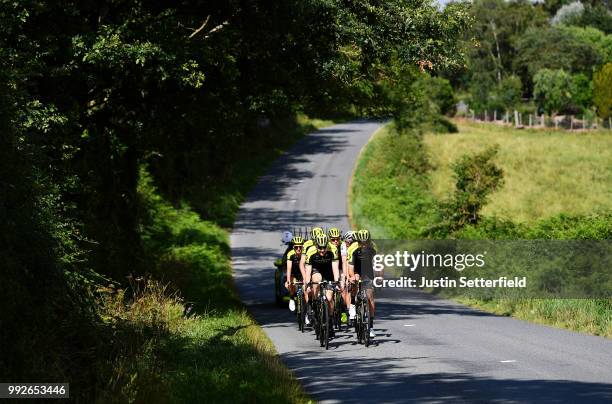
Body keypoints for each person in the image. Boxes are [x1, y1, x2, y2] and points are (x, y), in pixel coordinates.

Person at [305, 233, 340, 335]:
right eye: (320, 248)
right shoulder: (311, 251)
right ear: (316, 246)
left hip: (329, 272)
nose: (322, 250)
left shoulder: (333, 249)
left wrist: (337, 282)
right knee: (317, 279)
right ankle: (315, 305)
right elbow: (308, 270)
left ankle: (329, 320)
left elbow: (335, 268)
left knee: (329, 298)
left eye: (324, 248)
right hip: (316, 271)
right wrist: (307, 284)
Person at [347, 229, 377, 338]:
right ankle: (353, 306)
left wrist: (379, 276)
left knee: (370, 296)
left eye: (366, 242)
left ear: (369, 241)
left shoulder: (373, 249)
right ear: (358, 242)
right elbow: (350, 266)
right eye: (361, 242)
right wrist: (352, 276)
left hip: (368, 273)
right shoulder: (354, 250)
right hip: (356, 271)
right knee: (355, 283)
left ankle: (371, 326)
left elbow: (378, 264)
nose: (364, 245)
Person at [284, 236, 305, 312]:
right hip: (294, 273)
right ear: (293, 247)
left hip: (303, 274)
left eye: (300, 247)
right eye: (296, 247)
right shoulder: (290, 254)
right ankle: (292, 297)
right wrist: (288, 280)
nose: (298, 249)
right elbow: (289, 268)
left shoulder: (305, 253)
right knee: (289, 284)